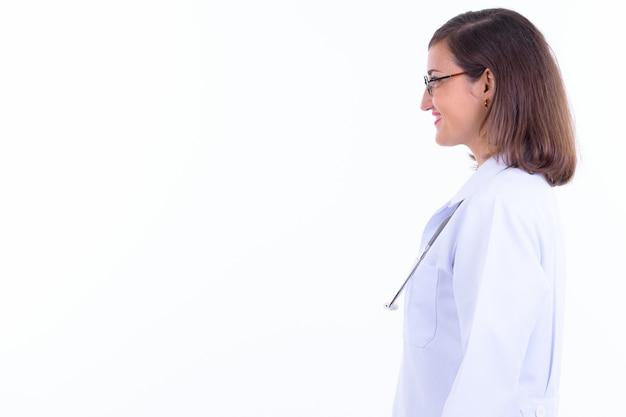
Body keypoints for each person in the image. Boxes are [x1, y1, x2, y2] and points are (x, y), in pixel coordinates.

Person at [391, 8, 577, 417]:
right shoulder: (509, 194)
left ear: (487, 83)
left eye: (434, 81)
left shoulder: (502, 204)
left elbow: (487, 382)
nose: (425, 102)